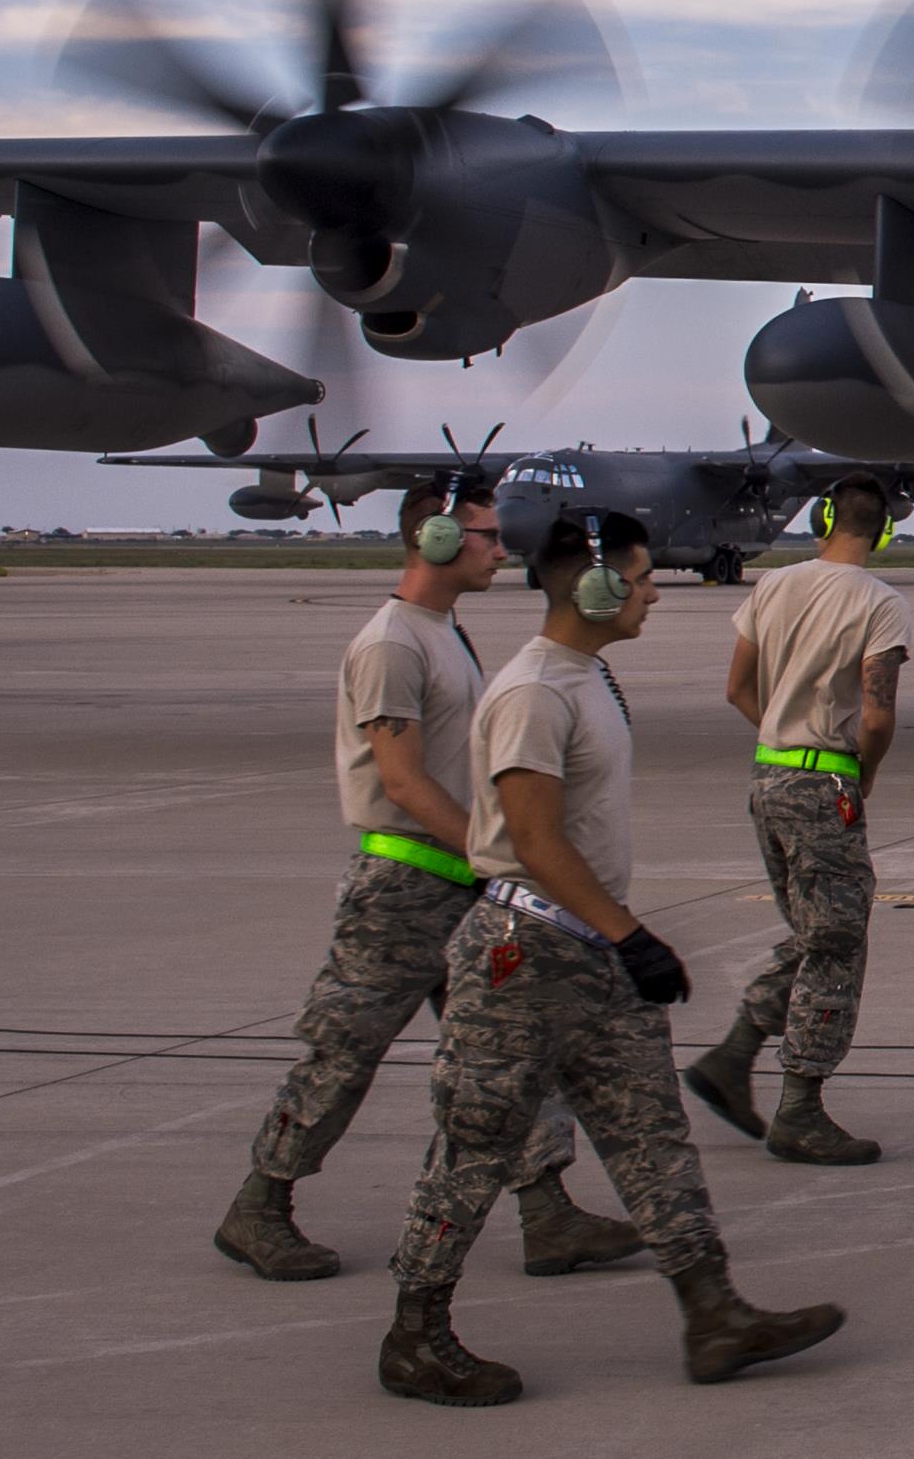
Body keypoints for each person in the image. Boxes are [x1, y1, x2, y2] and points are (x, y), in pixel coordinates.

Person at [378, 510, 844, 1406]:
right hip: (526, 951)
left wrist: (617, 938)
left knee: (650, 1133)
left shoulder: (584, 678)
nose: (653, 591)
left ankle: (714, 1314)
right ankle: (415, 1332)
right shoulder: (532, 694)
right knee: (474, 1148)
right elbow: (532, 836)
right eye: (637, 578)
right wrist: (633, 937)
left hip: (587, 944)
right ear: (591, 586)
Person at [215, 481, 639, 1284]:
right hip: (405, 887)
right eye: (483, 534)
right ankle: (261, 1204)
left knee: (512, 1055)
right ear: (437, 539)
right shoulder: (391, 644)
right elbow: (404, 782)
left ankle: (547, 1212)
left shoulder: (442, 632)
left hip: (463, 880)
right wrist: (498, 853)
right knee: (346, 1051)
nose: (498, 548)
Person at [685, 475, 911, 1163]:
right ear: (883, 531)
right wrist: (855, 769)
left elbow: (736, 687)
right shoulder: (879, 601)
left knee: (818, 932)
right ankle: (799, 1106)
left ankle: (735, 1054)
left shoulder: (773, 585)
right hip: (823, 785)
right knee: (838, 943)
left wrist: (784, 741)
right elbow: (876, 711)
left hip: (768, 774)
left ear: (824, 518)